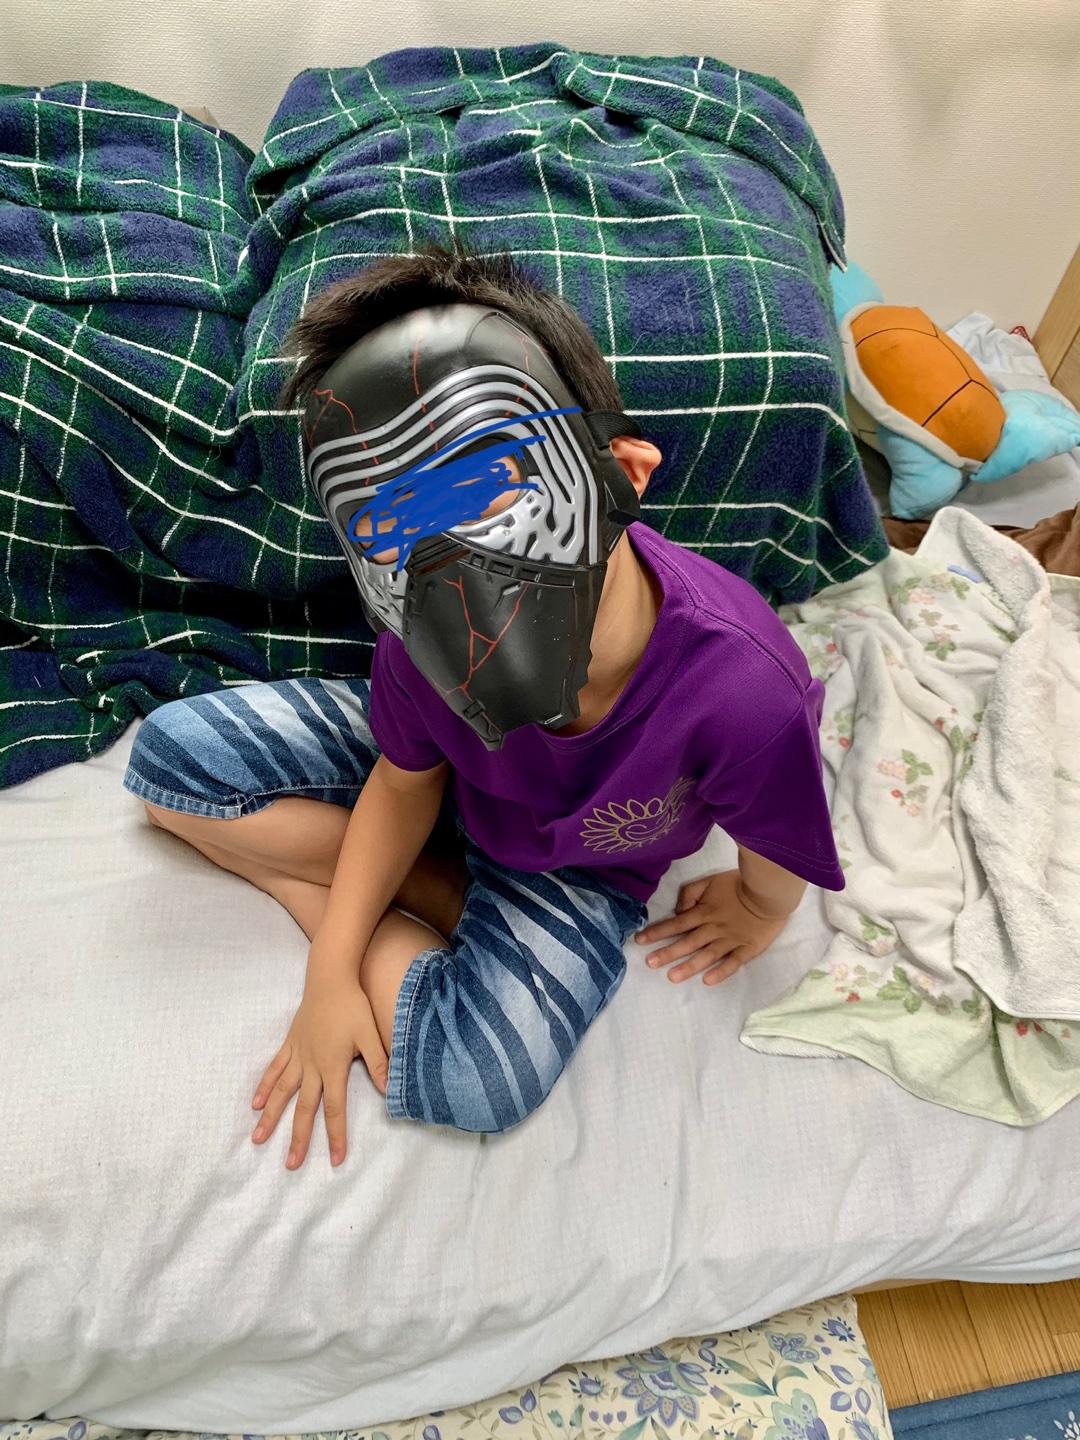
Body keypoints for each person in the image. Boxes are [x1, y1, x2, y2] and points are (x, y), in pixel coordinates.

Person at [123, 243, 844, 1169]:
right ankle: (432, 886)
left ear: (622, 473)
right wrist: (329, 970)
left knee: (476, 1081)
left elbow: (776, 844)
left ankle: (418, 882)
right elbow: (402, 781)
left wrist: (757, 908)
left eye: (484, 485)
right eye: (388, 526)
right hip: (440, 780)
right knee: (170, 770)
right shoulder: (423, 634)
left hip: (576, 867)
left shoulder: (743, 688)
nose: (450, 570)